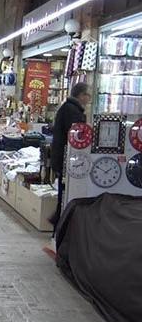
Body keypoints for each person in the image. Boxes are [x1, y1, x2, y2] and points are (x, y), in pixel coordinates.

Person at [50, 82, 91, 229]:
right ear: (81, 95)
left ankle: (58, 222)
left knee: (64, 192)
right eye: (88, 95)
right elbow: (77, 138)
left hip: (62, 157)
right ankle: (60, 224)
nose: (89, 98)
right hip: (66, 158)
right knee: (65, 193)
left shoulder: (68, 108)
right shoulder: (72, 111)